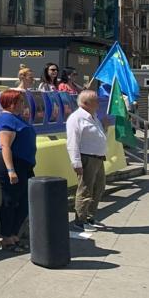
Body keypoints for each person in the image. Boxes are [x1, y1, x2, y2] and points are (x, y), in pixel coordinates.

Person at [0, 89, 37, 252]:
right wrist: (11, 170)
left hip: (24, 164)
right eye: (20, 102)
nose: (23, 105)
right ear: (11, 103)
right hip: (11, 163)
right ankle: (7, 238)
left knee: (25, 201)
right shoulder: (6, 119)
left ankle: (14, 234)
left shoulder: (17, 118)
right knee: (10, 200)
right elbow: (5, 146)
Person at [66, 90, 107, 232]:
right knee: (85, 190)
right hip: (87, 158)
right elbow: (72, 142)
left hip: (98, 158)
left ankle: (90, 216)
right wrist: (76, 162)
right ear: (85, 103)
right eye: (95, 100)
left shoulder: (93, 116)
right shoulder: (76, 118)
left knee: (99, 187)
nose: (98, 103)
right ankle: (80, 220)